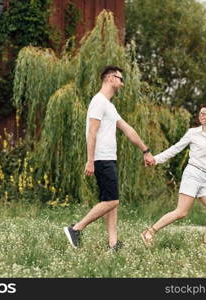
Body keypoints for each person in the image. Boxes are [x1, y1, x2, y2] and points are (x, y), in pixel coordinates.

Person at [64, 65, 154, 250]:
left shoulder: (109, 106)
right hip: (101, 158)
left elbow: (128, 130)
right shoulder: (98, 101)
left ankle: (113, 244)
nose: (122, 83)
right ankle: (76, 228)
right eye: (121, 79)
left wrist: (146, 150)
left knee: (111, 201)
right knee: (112, 201)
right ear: (110, 78)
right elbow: (92, 131)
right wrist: (90, 160)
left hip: (108, 158)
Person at [141, 104, 206, 249]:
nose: (201, 116)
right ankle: (149, 232)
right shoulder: (193, 133)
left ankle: (205, 247)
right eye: (199, 114)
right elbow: (176, 148)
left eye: (204, 113)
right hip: (193, 174)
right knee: (181, 212)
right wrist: (156, 159)